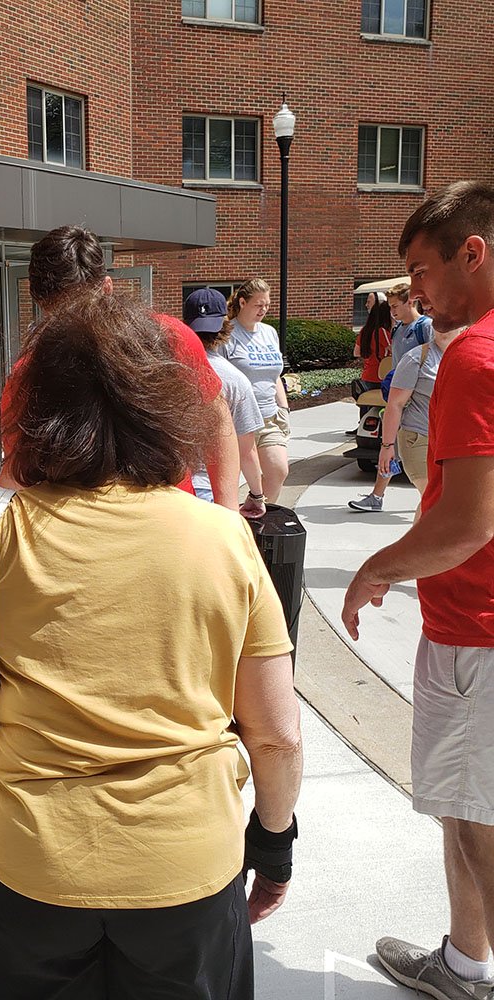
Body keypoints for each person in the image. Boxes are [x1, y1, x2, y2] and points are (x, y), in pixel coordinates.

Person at [0, 294, 302, 1000]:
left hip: (30, 867)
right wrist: (272, 844)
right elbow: (275, 737)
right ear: (164, 408)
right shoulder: (223, 538)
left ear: (37, 411)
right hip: (184, 866)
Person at [342, 180, 494, 1000]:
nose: (412, 292)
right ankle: (466, 968)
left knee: (475, 821)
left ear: (473, 252)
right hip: (476, 626)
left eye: (420, 270)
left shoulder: (474, 354)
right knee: (469, 810)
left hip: (477, 630)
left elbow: (467, 523)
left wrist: (376, 569)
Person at [0, 225, 240, 507]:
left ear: (107, 288)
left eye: (84, 310)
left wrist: (229, 514)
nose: (75, 327)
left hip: (168, 524)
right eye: (62, 316)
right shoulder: (30, 370)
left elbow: (218, 420)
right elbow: (18, 471)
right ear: (39, 302)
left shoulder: (169, 339)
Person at [184, 288, 267, 517]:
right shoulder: (235, 380)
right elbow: (246, 449)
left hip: (167, 488)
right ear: (224, 325)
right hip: (212, 491)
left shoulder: (163, 372)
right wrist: (257, 496)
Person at [348, 330, 447, 513]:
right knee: (437, 502)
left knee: (439, 504)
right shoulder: (417, 356)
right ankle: (377, 497)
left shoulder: (470, 355)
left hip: (452, 440)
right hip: (418, 436)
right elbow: (395, 404)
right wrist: (387, 447)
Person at [219, 279, 291, 503]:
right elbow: (219, 376)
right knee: (232, 478)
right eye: (259, 305)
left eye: (267, 305)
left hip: (269, 416)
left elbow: (274, 374)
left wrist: (284, 407)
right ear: (242, 302)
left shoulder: (269, 333)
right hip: (237, 419)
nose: (264, 310)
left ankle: (259, 514)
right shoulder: (227, 334)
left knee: (278, 470)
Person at [388, 280, 433, 365]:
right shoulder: (396, 329)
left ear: (410, 302)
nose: (391, 311)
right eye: (390, 307)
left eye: (395, 306)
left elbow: (434, 360)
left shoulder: (426, 326)